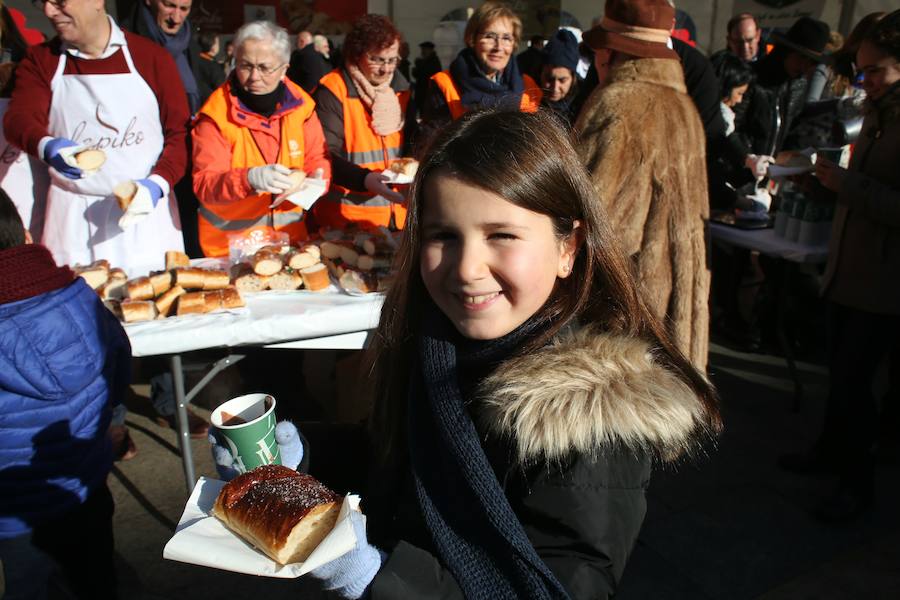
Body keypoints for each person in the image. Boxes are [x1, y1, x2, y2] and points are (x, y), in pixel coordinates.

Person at [305, 108, 720, 599]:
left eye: (501, 235)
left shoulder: (590, 423)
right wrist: (303, 453)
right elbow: (397, 463)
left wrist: (379, 578)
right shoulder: (442, 345)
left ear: (569, 248)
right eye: (443, 236)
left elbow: (561, 587)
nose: (467, 269)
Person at [780, 9, 900, 522]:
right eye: (863, 70)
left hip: (884, 280)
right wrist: (822, 187)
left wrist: (845, 186)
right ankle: (830, 455)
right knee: (840, 375)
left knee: (856, 383)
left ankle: (858, 484)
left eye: (877, 71)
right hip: (848, 269)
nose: (865, 80)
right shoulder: (876, 111)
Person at [0, 189, 131, 600]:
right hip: (85, 479)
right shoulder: (79, 294)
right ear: (22, 232)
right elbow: (119, 362)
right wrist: (115, 419)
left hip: (14, 511)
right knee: (96, 578)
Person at [3, 0, 188, 276]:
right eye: (44, 2)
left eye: (59, 2)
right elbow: (19, 120)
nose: (49, 11)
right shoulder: (44, 60)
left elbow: (180, 134)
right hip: (73, 221)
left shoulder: (150, 57)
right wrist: (47, 145)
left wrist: (158, 184)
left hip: (147, 221)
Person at [575, 0, 710, 370]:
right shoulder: (684, 107)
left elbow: (592, 212)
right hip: (674, 298)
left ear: (611, 51)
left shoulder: (619, 103)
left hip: (627, 303)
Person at [191, 20, 331, 257]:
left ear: (284, 68)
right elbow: (204, 184)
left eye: (265, 68)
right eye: (245, 66)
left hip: (289, 243)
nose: (254, 77)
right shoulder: (215, 115)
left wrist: (317, 178)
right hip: (230, 250)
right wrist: (248, 179)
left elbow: (318, 157)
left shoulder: (302, 108)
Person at [312, 14, 410, 230]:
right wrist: (364, 179)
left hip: (399, 216)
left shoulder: (401, 91)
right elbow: (324, 155)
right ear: (356, 55)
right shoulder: (333, 90)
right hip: (348, 218)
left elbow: (410, 145)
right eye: (376, 59)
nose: (385, 69)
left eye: (392, 60)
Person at [420, 1, 542, 133]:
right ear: (472, 39)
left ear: (514, 44)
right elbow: (433, 143)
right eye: (489, 36)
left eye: (506, 38)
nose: (498, 47)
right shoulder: (445, 84)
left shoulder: (528, 86)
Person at [731, 17, 830, 171]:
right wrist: (747, 158)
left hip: (769, 176)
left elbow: (790, 132)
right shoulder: (752, 78)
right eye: (801, 57)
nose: (804, 66)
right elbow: (731, 127)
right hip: (739, 170)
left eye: (811, 62)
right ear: (786, 51)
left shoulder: (798, 85)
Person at [539, 28, 580, 125]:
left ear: (573, 78)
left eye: (562, 80)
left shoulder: (583, 107)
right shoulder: (525, 97)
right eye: (549, 79)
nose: (554, 87)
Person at [287, 30, 331, 94]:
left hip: (305, 96)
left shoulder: (301, 56)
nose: (295, 45)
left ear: (301, 41)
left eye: (296, 43)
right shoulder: (319, 55)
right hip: (322, 94)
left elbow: (292, 77)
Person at [196, 30, 225, 106]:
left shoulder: (195, 60)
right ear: (212, 46)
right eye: (217, 43)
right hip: (211, 103)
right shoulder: (212, 65)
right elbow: (220, 86)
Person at [411, 40, 441, 113]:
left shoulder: (433, 62)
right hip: (423, 94)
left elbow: (424, 74)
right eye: (422, 49)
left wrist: (418, 65)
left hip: (428, 95)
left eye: (424, 49)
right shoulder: (426, 61)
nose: (422, 52)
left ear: (430, 50)